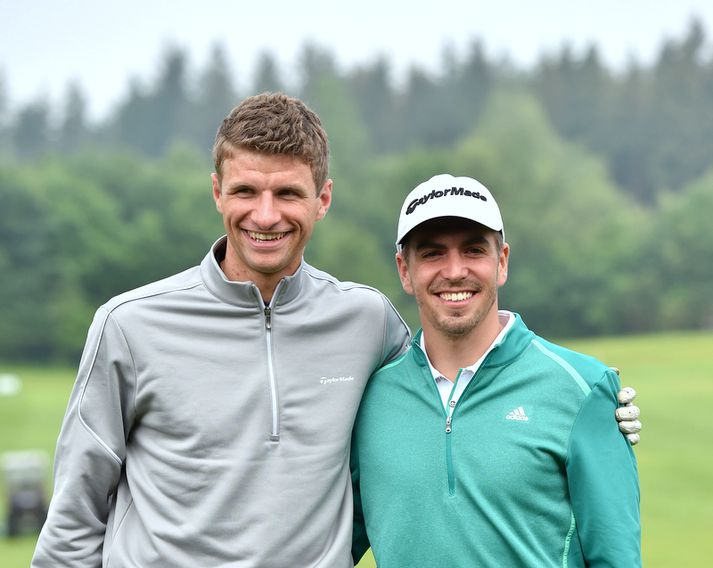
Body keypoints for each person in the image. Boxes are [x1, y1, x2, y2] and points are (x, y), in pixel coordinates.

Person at [33, 95, 639, 567]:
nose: (265, 215)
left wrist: (592, 411)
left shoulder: (366, 321)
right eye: (246, 190)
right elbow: (74, 514)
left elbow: (449, 385)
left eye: (288, 193)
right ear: (217, 191)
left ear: (322, 199)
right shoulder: (130, 325)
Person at [351, 173, 641, 567]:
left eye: (473, 251)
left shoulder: (583, 388)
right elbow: (324, 544)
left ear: (501, 261)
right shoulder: (369, 400)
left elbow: (617, 557)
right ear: (404, 270)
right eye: (433, 253)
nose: (454, 271)